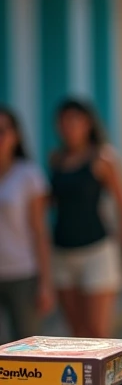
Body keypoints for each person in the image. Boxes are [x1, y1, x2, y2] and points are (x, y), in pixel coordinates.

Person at [50, 99, 122, 338]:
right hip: (62, 253)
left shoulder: (104, 159)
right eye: (63, 121)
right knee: (75, 334)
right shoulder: (56, 160)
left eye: (74, 120)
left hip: (97, 251)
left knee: (98, 334)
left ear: (88, 124)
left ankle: (102, 377)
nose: (68, 126)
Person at [0, 107, 54, 340]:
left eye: (2, 130)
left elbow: (39, 230)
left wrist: (45, 283)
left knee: (24, 348)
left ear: (16, 135)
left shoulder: (28, 175)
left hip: (22, 274)